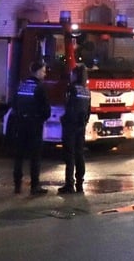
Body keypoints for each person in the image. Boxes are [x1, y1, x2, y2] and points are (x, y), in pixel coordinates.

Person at [11, 60, 51, 195]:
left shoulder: (22, 86)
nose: (45, 74)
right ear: (38, 71)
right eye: (44, 71)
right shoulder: (40, 88)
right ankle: (35, 186)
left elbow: (14, 104)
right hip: (34, 126)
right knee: (35, 157)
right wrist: (40, 119)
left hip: (20, 124)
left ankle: (17, 186)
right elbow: (46, 110)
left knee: (19, 156)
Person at [58, 63, 90, 194]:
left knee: (69, 155)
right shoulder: (86, 91)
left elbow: (69, 107)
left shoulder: (72, 89)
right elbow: (89, 111)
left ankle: (69, 184)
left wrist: (64, 120)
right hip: (81, 126)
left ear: (75, 75)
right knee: (80, 154)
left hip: (70, 126)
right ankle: (80, 183)